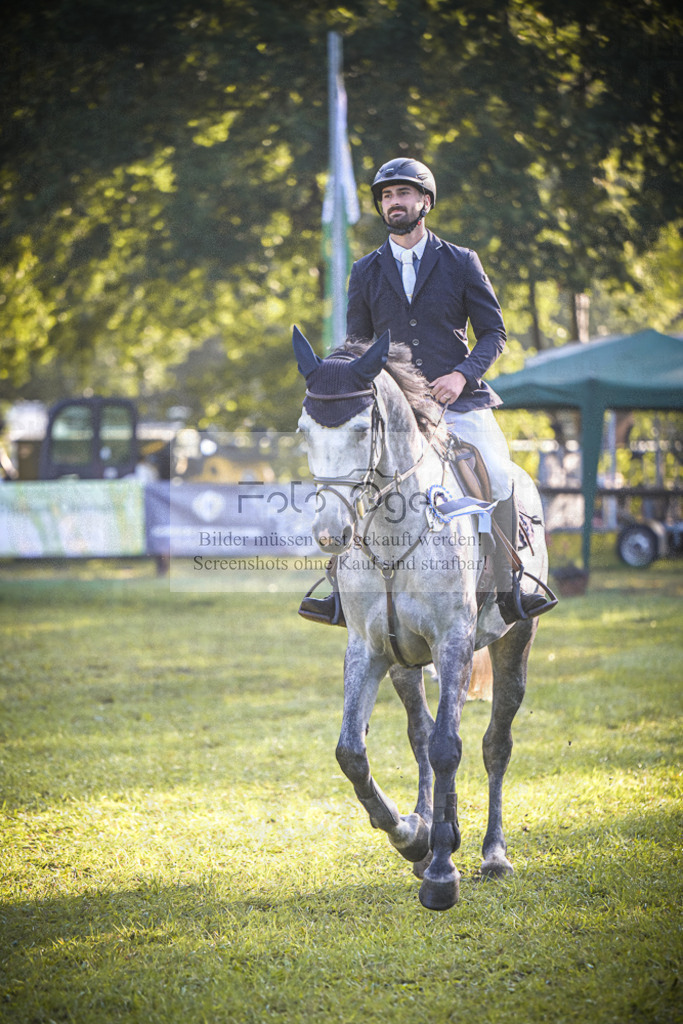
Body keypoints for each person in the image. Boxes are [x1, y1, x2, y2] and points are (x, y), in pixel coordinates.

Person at [300, 157, 553, 626]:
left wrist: (462, 375)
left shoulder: (461, 262)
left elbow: (494, 333)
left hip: (459, 404)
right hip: (396, 414)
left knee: (499, 477)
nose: (394, 202)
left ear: (426, 202)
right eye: (386, 196)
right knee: (358, 479)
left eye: (403, 193)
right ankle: (340, 591)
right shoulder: (365, 270)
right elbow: (357, 345)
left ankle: (510, 587)